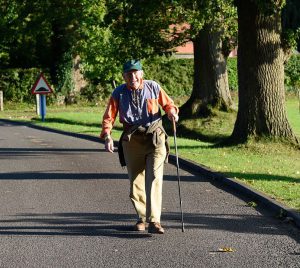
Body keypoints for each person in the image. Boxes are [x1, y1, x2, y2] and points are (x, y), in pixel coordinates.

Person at [100, 60, 179, 234]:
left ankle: (154, 220)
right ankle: (141, 218)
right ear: (124, 76)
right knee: (136, 181)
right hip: (132, 140)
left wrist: (172, 112)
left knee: (154, 178)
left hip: (155, 138)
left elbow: (168, 104)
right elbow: (109, 117)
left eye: (136, 73)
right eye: (129, 74)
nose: (132, 76)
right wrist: (107, 136)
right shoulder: (118, 93)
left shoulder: (153, 87)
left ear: (141, 74)